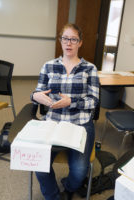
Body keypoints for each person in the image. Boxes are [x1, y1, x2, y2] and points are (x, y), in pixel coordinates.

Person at [30, 23, 99, 200]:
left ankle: (69, 187)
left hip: (80, 123)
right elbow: (38, 91)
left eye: (73, 39)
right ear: (60, 41)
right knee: (39, 165)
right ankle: (54, 197)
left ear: (80, 43)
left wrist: (71, 101)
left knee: (79, 171)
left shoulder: (89, 68)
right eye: (65, 38)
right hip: (53, 122)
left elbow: (94, 101)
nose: (69, 43)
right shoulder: (48, 66)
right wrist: (36, 96)